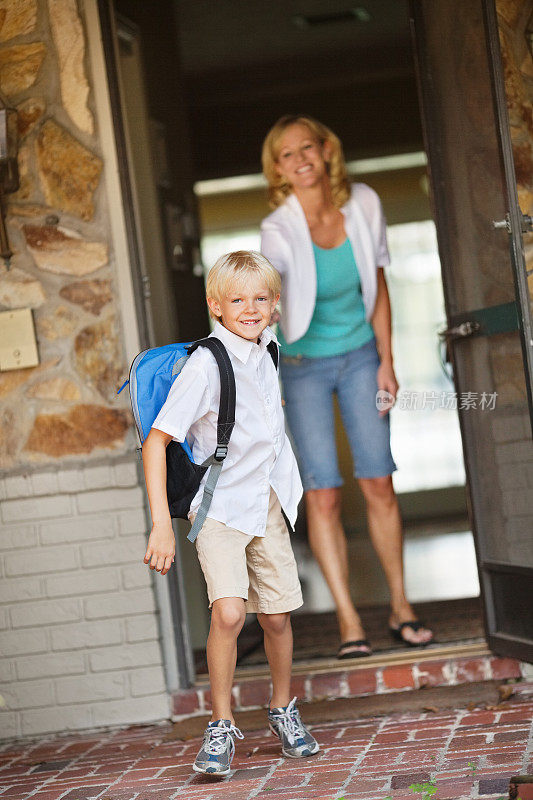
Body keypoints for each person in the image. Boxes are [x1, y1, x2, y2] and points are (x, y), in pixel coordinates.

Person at [260, 115, 434, 658]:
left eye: (307, 148)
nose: (300, 159)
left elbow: (378, 283)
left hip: (361, 356)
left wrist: (387, 360)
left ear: (326, 151)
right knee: (325, 492)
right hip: (304, 365)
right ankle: (349, 622)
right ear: (279, 168)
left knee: (378, 480)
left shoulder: (364, 203)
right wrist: (270, 381)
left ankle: (402, 609)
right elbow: (269, 302)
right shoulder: (278, 229)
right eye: (287, 155)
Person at [141, 250, 319, 775]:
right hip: (218, 507)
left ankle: (283, 709)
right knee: (230, 613)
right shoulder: (206, 365)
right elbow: (156, 443)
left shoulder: (268, 351)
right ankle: (220, 725)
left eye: (260, 298)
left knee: (278, 615)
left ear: (275, 305)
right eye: (237, 299)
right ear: (215, 305)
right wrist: (160, 526)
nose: (250, 308)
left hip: (264, 499)